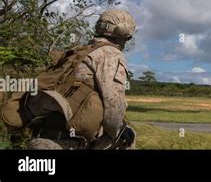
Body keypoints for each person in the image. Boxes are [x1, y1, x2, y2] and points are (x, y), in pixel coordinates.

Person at [23, 10, 136, 149]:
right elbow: (114, 108)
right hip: (69, 144)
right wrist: (119, 131)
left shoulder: (77, 51)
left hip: (41, 139)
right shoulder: (111, 55)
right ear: (122, 33)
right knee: (128, 139)